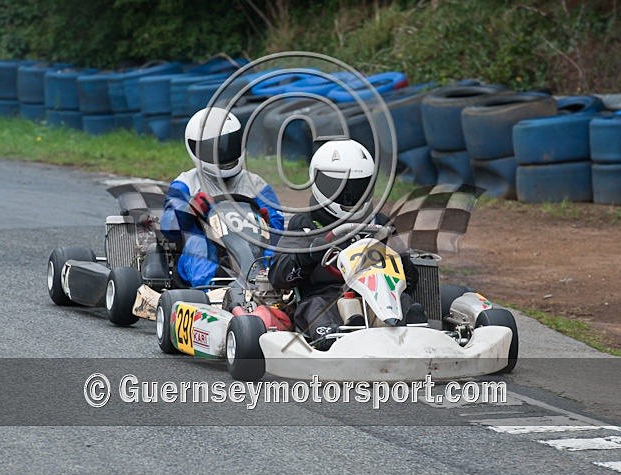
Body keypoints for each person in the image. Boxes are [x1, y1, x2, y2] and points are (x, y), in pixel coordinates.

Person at [269, 139, 425, 350]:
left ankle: (416, 329)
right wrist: (308, 254)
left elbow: (411, 279)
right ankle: (335, 337)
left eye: (358, 187)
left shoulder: (379, 222)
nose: (350, 196)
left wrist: (399, 258)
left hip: (380, 295)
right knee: (317, 307)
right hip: (325, 294)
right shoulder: (306, 223)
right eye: (339, 187)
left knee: (404, 300)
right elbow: (279, 276)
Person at [160, 107, 284, 286]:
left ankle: (267, 287)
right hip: (207, 252)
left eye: (229, 144)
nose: (224, 151)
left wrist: (266, 223)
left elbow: (278, 230)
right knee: (198, 245)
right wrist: (189, 211)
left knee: (277, 249)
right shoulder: (187, 183)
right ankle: (213, 291)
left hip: (251, 253)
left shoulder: (256, 185)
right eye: (214, 147)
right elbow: (168, 227)